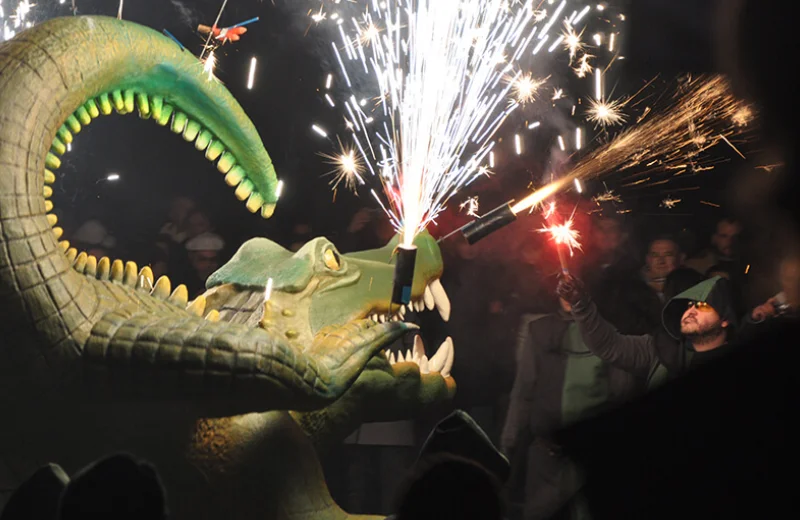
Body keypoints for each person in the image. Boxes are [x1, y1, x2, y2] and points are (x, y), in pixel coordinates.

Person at [502, 296, 643, 520]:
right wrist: (511, 437)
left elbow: (621, 391)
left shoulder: (606, 331)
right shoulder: (540, 330)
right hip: (546, 451)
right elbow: (524, 388)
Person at [556, 275, 738, 388]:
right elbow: (608, 345)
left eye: (702, 307)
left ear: (724, 320)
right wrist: (580, 304)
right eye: (690, 305)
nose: (690, 312)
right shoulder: (661, 349)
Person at [642, 235, 685, 301]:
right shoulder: (632, 289)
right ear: (647, 259)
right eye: (655, 255)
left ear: (681, 258)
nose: (661, 261)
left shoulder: (692, 287)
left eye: (668, 255)